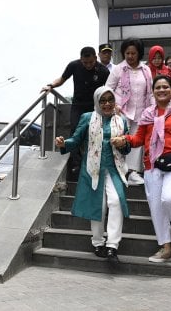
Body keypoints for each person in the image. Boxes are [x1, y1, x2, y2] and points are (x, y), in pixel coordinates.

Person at [111, 75, 171, 263]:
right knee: (157, 208)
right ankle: (166, 248)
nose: (161, 90)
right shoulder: (148, 114)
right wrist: (124, 139)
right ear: (153, 91)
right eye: (157, 87)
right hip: (152, 165)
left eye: (165, 87)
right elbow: (139, 139)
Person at [55, 86, 131, 264]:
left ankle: (112, 246)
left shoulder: (121, 121)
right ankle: (98, 242)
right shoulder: (88, 118)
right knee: (100, 205)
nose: (106, 104)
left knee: (116, 202)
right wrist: (63, 143)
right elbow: (76, 140)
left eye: (110, 100)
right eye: (102, 100)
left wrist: (122, 143)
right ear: (97, 101)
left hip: (114, 169)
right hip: (93, 169)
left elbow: (127, 147)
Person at [43, 47, 110, 176]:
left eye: (91, 62)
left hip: (95, 106)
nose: (88, 65)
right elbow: (61, 79)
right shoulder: (74, 65)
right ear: (81, 60)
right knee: (74, 130)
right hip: (78, 105)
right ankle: (76, 163)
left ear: (96, 58)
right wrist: (50, 86)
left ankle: (93, 162)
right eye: (85, 63)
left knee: (93, 133)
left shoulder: (103, 71)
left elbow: (108, 91)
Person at [105, 38, 153, 186]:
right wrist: (114, 107)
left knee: (137, 141)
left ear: (139, 54)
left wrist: (152, 110)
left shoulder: (146, 69)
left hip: (141, 111)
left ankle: (132, 172)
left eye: (133, 53)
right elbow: (107, 89)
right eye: (127, 53)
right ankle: (118, 171)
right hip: (121, 111)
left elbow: (150, 92)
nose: (130, 56)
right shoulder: (118, 69)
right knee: (120, 140)